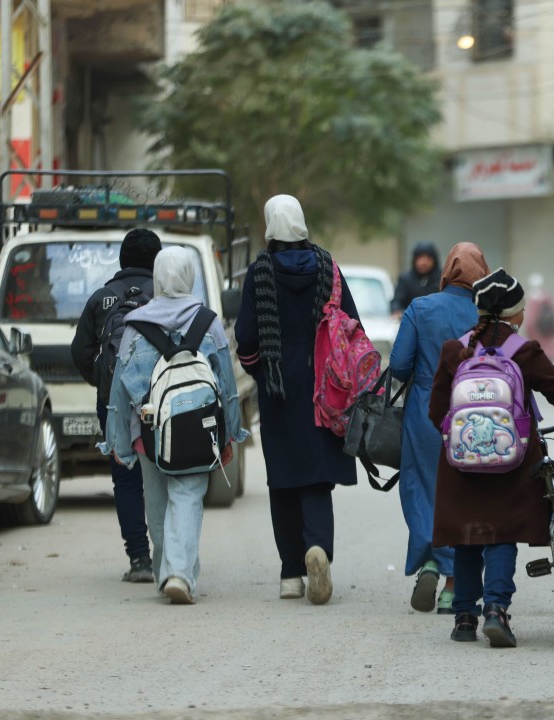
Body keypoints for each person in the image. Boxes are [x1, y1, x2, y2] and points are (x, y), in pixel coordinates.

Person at [429, 269, 554, 648]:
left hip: (460, 465)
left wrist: (466, 438)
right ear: (515, 314)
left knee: (466, 537)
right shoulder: (523, 351)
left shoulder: (454, 350)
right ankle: (496, 611)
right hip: (512, 465)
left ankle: (464, 619)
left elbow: (436, 413)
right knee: (502, 535)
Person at [101, 248, 247, 604]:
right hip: (197, 429)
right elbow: (227, 385)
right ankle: (178, 573)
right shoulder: (208, 322)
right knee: (187, 497)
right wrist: (230, 433)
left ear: (157, 278)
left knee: (156, 503)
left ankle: (168, 571)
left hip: (148, 432)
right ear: (189, 276)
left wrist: (118, 441)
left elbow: (119, 388)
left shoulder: (135, 325)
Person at [236, 195, 361, 605]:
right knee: (317, 477)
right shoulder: (328, 266)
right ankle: (318, 548)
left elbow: (246, 337)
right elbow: (351, 325)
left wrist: (262, 371)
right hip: (324, 385)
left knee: (284, 478)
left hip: (279, 388)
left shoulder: (259, 272)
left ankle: (291, 574)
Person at [389, 243, 490, 614]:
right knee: (468, 495)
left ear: (446, 271)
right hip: (479, 414)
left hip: (426, 413)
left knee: (422, 486)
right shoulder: (488, 314)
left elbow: (399, 365)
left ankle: (431, 559)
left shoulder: (420, 307)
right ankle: (452, 586)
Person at [70, 228, 162, 584]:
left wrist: (103, 385)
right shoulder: (167, 295)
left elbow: (80, 352)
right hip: (164, 402)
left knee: (125, 477)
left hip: (115, 403)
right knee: (167, 473)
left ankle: (139, 559)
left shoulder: (101, 298)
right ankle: (171, 554)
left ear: (122, 260)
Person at [391, 242, 441, 316]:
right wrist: (397, 311)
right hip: (410, 319)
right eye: (420, 258)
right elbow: (397, 301)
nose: (424, 263)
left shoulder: (442, 278)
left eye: (428, 258)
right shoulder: (405, 279)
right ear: (414, 260)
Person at [522, 273, 554, 361]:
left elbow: (529, 323)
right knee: (550, 361)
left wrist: (528, 335)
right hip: (549, 337)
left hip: (537, 340)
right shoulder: (549, 298)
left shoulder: (532, 300)